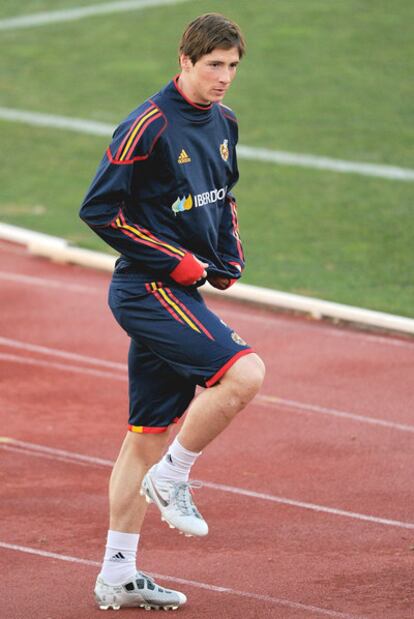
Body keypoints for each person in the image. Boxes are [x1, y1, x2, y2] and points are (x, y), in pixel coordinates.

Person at [80, 12, 265, 611]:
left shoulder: (226, 122)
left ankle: (118, 573)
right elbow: (100, 211)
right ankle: (175, 476)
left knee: (145, 435)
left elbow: (223, 196)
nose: (224, 78)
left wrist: (227, 257)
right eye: (214, 65)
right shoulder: (147, 125)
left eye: (233, 66)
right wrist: (177, 261)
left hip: (181, 289)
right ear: (184, 61)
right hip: (146, 287)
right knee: (244, 373)